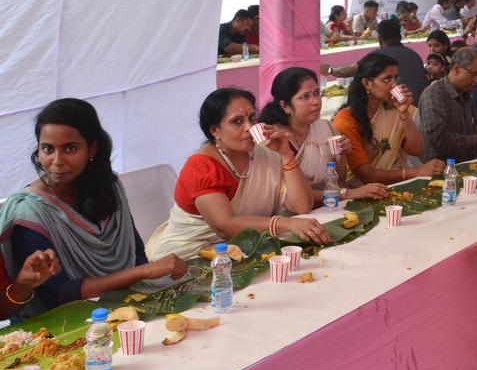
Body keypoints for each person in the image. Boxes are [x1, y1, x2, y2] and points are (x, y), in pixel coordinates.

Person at [0, 99, 187, 318]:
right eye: (47, 149)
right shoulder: (30, 211)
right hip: (64, 323)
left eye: (70, 148)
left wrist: (142, 276)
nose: (56, 161)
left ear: (93, 148)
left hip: (124, 306)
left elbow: (135, 254)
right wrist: (144, 272)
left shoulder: (109, 187)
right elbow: (57, 297)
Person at [145, 89, 329, 263]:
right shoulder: (202, 166)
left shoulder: (265, 153)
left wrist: (286, 155)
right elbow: (225, 225)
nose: (249, 127)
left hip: (245, 250)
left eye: (251, 118)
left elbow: (302, 205)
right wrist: (285, 224)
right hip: (189, 256)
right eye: (237, 122)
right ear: (215, 130)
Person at [257, 67, 388, 203]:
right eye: (305, 96)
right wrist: (349, 194)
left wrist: (341, 155)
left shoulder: (326, 127)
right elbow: (288, 195)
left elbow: (339, 180)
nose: (315, 101)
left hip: (329, 204)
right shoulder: (273, 140)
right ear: (285, 106)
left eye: (316, 93)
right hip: (291, 214)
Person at [331, 54, 444, 186]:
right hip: (362, 191)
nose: (394, 85)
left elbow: (417, 150)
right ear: (366, 83)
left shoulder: (392, 109)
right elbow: (365, 175)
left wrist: (404, 114)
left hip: (395, 183)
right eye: (387, 79)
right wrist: (416, 172)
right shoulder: (346, 119)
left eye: (396, 78)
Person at [320, 20, 431, 103]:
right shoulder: (414, 54)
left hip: (402, 108)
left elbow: (348, 71)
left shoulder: (378, 56)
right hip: (422, 106)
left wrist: (329, 70)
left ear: (380, 40)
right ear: (400, 37)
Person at [417, 46, 477, 162]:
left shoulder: (466, 94)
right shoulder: (434, 94)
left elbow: (473, 135)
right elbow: (439, 139)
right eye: (475, 74)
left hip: (467, 164)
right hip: (443, 170)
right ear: (456, 69)